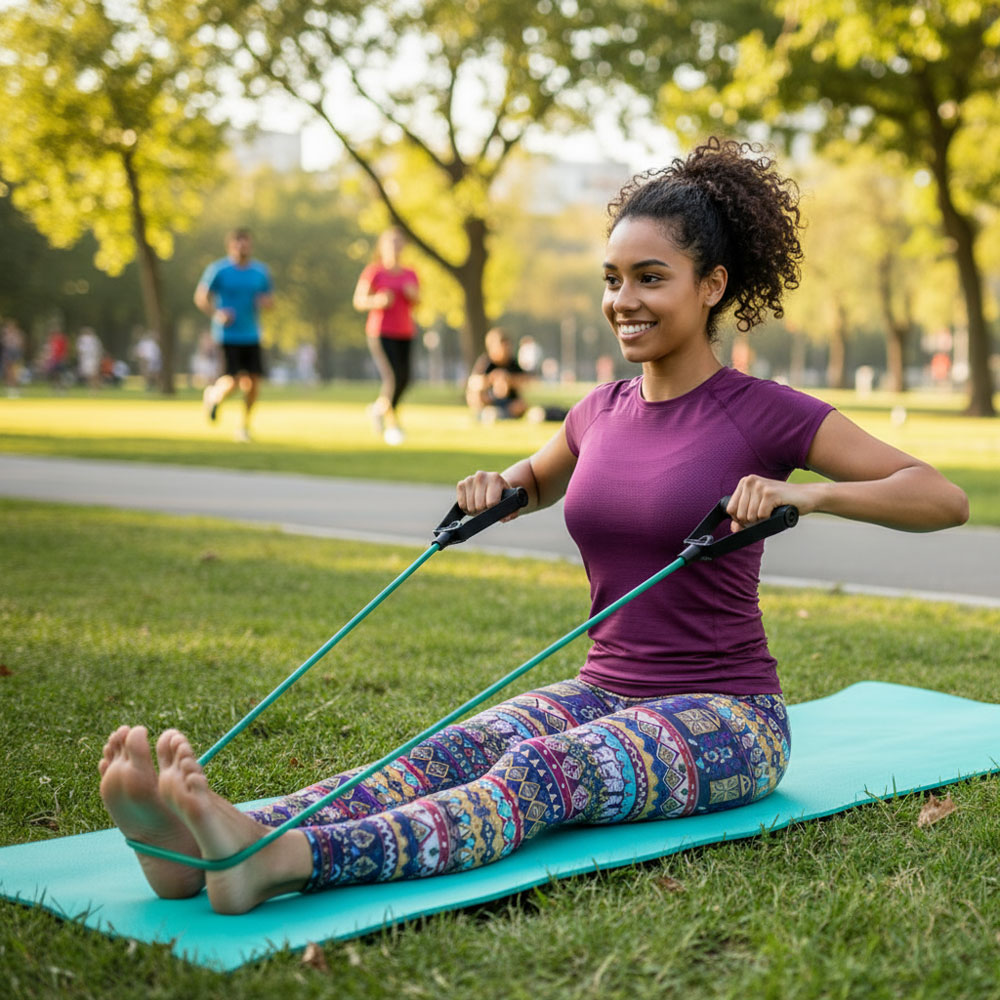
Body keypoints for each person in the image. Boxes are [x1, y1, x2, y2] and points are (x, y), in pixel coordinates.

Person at [98, 138, 969, 915]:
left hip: (729, 717)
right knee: (449, 751)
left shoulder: (764, 414)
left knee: (539, 774)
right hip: (603, 687)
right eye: (613, 279)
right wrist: (498, 486)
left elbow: (939, 496)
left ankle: (281, 861)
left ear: (713, 287)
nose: (623, 300)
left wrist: (805, 496)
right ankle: (198, 844)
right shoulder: (598, 410)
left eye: (651, 278)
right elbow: (537, 481)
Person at [195, 228, 274, 442]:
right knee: (233, 380)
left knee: (254, 383)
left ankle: (244, 427)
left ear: (251, 245)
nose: (242, 247)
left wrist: (266, 303)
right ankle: (213, 396)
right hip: (227, 335)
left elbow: (270, 301)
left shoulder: (261, 272)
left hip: (252, 334)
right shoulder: (219, 270)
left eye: (246, 243)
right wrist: (217, 313)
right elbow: (201, 297)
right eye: (238, 243)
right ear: (231, 245)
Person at [353, 227, 420, 446]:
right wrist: (378, 301)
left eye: (399, 242)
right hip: (381, 331)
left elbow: (418, 302)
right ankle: (392, 423)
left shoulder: (410, 274)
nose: (395, 247)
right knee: (393, 377)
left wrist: (413, 295)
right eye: (391, 242)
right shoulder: (374, 272)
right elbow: (359, 300)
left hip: (405, 332)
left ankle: (378, 409)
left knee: (405, 378)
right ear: (382, 247)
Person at [465, 327, 530, 421]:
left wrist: (509, 380)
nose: (506, 350)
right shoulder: (486, 362)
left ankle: (501, 414)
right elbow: (473, 382)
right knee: (476, 395)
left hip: (508, 401)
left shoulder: (512, 363)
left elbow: (526, 379)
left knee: (521, 405)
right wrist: (491, 379)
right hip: (490, 399)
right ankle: (489, 413)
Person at [76, 327, 103, 391]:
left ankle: (95, 387)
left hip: (91, 358)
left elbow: (98, 350)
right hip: (86, 359)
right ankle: (92, 387)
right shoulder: (83, 339)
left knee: (94, 374)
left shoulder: (94, 339)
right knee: (89, 374)